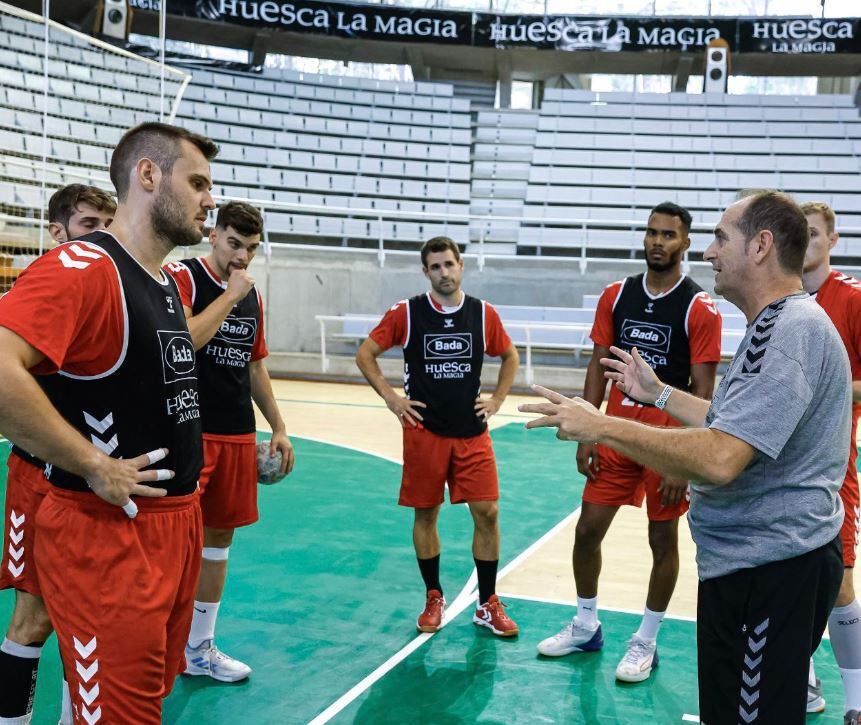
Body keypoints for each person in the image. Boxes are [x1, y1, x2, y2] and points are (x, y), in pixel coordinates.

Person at [520, 191, 848, 722]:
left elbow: (720, 456)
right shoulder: (779, 322)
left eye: (721, 238)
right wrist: (660, 394)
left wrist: (602, 424)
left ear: (761, 246)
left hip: (769, 573)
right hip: (759, 568)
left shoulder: (789, 332)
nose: (710, 253)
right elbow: (731, 418)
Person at [0, 122, 218, 724]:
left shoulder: (167, 284)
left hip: (174, 529)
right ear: (148, 175)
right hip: (112, 536)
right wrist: (93, 463)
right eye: (197, 182)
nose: (209, 199)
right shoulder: (85, 268)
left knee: (135, 703)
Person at [536, 202, 722, 683]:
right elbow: (599, 362)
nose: (658, 242)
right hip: (616, 434)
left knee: (661, 538)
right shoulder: (617, 295)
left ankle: (647, 639)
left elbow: (704, 390)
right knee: (586, 531)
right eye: (652, 233)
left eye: (669, 235)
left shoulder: (699, 307)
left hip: (665, 441)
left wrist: (685, 458)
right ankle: (585, 623)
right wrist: (588, 426)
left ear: (685, 243)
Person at [356, 236, 520, 637]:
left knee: (488, 513)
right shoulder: (408, 313)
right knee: (426, 514)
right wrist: (394, 399)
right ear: (425, 271)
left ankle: (487, 603)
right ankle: (434, 595)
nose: (443, 273)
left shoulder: (482, 314)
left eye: (449, 264)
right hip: (424, 432)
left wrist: (498, 399)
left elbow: (510, 356)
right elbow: (365, 354)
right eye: (435, 267)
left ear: (461, 265)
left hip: (471, 432)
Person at [0, 183, 116, 725]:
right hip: (36, 476)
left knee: (87, 621)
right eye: (90, 225)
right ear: (57, 232)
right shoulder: (44, 286)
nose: (102, 238)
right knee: (33, 618)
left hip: (83, 485)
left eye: (107, 226)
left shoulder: (107, 287)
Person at [164, 201, 294, 683]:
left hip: (237, 433)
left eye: (252, 249)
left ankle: (198, 649)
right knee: (173, 544)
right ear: (214, 235)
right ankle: (158, 645)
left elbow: (254, 364)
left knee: (219, 542)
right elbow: (183, 342)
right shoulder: (182, 277)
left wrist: (277, 426)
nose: (242, 257)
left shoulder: (252, 297)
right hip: (187, 431)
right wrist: (228, 295)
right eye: (234, 244)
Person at [800, 201, 861, 724]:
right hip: (782, 466)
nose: (808, 241)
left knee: (840, 581)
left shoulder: (852, 299)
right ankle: (805, 675)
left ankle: (858, 702)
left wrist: (824, 389)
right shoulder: (782, 299)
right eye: (801, 233)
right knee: (793, 576)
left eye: (816, 233)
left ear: (833, 239)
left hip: (834, 464)